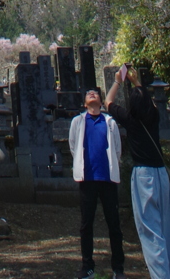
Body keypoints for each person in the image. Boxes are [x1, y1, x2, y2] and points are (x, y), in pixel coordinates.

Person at [106, 66, 170, 279]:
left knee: (151, 232)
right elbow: (146, 102)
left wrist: (118, 81)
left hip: (144, 176)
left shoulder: (130, 119)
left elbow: (108, 103)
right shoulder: (155, 117)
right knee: (169, 230)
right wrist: (136, 81)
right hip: (161, 174)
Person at [69, 87, 126, 279]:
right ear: (85, 103)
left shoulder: (110, 122)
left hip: (108, 178)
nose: (92, 94)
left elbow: (117, 149)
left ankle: (118, 268)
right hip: (87, 179)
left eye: (95, 93)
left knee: (114, 224)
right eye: (88, 93)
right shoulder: (78, 122)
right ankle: (87, 266)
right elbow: (73, 146)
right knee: (86, 224)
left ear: (101, 101)